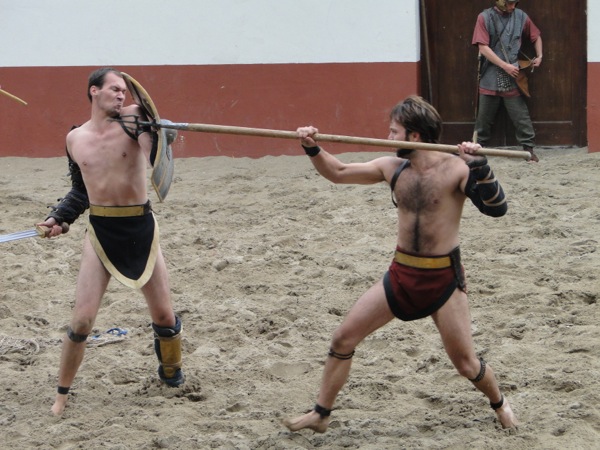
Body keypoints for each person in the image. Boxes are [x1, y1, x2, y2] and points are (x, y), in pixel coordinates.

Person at [282, 95, 518, 433]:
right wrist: (311, 147)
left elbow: (497, 208)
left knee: (466, 364)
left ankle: (500, 404)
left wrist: (480, 165)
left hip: (444, 281)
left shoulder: (456, 169)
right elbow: (338, 172)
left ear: (415, 136)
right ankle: (321, 414)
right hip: (402, 274)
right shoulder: (392, 168)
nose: (389, 138)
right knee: (342, 340)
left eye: (394, 132)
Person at [37, 67, 184, 416]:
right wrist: (59, 218)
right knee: (82, 320)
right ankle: (61, 395)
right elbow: (80, 190)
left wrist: (160, 133)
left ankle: (172, 374)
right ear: (94, 91)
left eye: (124, 91)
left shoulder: (134, 120)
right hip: (101, 231)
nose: (121, 95)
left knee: (164, 315)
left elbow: (159, 149)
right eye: (114, 89)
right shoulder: (75, 139)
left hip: (141, 226)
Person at [472, 0, 542, 162]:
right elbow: (483, 47)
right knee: (483, 119)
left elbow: (536, 36)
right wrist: (505, 66)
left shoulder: (521, 16)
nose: (513, 7)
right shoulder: (484, 17)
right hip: (490, 73)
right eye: (509, 4)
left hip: (512, 75)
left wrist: (539, 56)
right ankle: (477, 148)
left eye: (514, 3)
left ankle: (528, 149)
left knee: (520, 116)